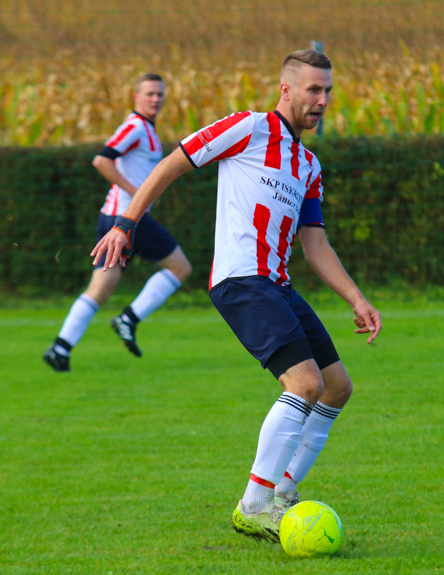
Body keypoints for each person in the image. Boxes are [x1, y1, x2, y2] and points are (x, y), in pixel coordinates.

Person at [91, 49, 382, 543]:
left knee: (336, 388)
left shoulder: (308, 164)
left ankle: (283, 496)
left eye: (328, 91)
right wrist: (125, 224)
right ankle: (253, 505)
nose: (323, 100)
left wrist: (356, 298)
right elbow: (169, 166)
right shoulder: (248, 128)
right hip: (240, 280)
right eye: (314, 89)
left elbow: (314, 243)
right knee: (304, 384)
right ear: (286, 89)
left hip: (278, 285)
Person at [43, 73, 192, 372]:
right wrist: (137, 194)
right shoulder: (135, 126)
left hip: (116, 218)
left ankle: (61, 347)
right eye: (149, 93)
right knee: (181, 268)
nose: (155, 99)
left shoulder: (147, 130)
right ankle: (129, 318)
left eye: (159, 94)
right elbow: (102, 160)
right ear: (135, 97)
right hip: (126, 219)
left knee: (100, 287)